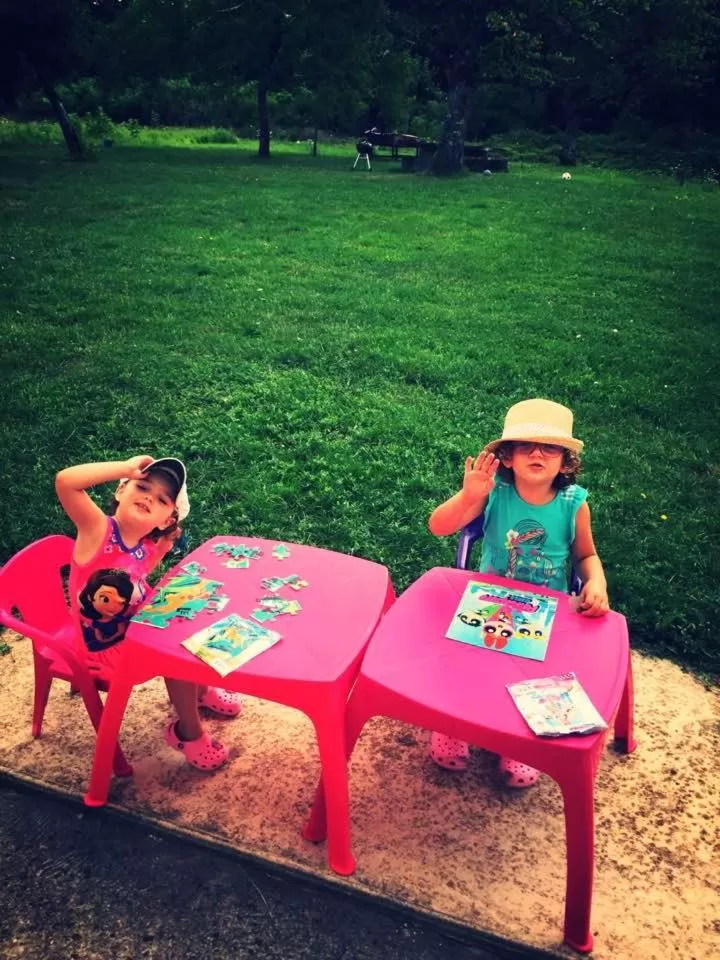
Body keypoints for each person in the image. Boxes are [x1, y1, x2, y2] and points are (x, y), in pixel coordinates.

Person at [427, 399, 609, 787]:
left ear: (566, 461)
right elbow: (439, 526)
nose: (538, 453)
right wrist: (468, 496)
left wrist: (596, 581)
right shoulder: (495, 493)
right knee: (468, 664)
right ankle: (453, 724)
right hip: (488, 601)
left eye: (550, 447)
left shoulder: (573, 503)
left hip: (546, 611)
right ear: (507, 457)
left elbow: (586, 555)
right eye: (526, 445)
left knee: (534, 675)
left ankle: (520, 742)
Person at [56, 456, 242, 771]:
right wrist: (125, 467)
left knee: (191, 625)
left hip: (131, 631)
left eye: (161, 500)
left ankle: (199, 690)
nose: (148, 498)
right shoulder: (97, 530)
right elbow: (65, 481)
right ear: (120, 490)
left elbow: (134, 575)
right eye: (142, 486)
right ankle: (187, 732)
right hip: (103, 651)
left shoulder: (142, 545)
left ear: (166, 520)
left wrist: (160, 552)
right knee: (176, 655)